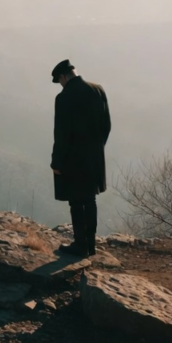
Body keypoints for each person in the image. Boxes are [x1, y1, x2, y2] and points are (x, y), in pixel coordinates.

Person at [50, 59, 111, 257]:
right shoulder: (98, 90)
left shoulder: (64, 97)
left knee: (76, 202)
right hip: (94, 157)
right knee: (90, 200)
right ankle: (90, 245)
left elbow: (61, 134)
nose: (60, 85)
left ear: (63, 76)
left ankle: (80, 244)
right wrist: (97, 147)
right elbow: (107, 125)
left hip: (73, 159)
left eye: (59, 81)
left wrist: (56, 162)